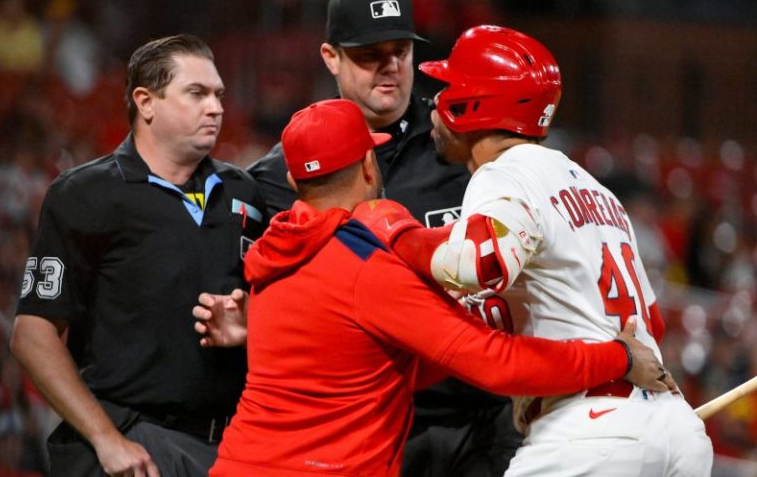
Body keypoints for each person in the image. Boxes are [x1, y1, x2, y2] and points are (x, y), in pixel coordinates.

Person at [202, 98, 673, 476]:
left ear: (292, 180)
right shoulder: (363, 267)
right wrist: (619, 358)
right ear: (370, 164)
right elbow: (496, 364)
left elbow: (381, 368)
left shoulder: (276, 251)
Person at [362, 25, 714, 475]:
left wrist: (397, 233)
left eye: (449, 88)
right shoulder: (597, 189)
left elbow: (478, 262)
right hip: (674, 429)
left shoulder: (504, 174)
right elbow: (653, 320)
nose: (435, 102)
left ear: (475, 105)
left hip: (588, 431)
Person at [246, 0, 522, 477]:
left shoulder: (464, 148)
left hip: (485, 416)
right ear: (330, 57)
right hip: (367, 428)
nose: (391, 66)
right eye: (370, 54)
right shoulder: (278, 178)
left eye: (400, 50)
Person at [10, 34, 267, 477]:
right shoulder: (85, 194)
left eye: (219, 94)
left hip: (231, 445)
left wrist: (254, 323)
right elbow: (33, 333)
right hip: (134, 444)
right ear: (146, 102)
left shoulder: (244, 192)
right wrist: (107, 439)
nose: (217, 107)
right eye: (197, 93)